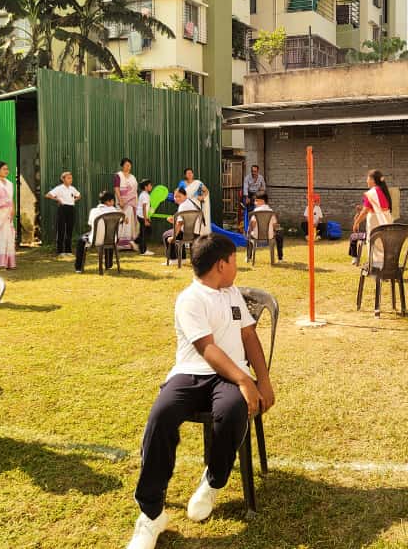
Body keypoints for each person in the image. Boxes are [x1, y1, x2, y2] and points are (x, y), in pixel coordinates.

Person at [125, 234, 275, 549]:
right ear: (221, 265)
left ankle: (213, 480)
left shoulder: (233, 293)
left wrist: (263, 379)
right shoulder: (190, 299)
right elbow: (207, 349)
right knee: (161, 417)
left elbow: (249, 337)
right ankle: (151, 515)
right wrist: (245, 381)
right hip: (190, 375)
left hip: (228, 379)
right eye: (234, 261)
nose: (238, 266)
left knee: (232, 411)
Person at [352, 170, 394, 267]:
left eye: (367, 178)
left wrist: (356, 223)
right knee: (383, 244)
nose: (366, 181)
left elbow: (365, 211)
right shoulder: (384, 191)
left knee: (374, 243)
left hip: (375, 223)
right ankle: (384, 265)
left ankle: (376, 267)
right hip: (386, 222)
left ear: (372, 180)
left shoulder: (372, 193)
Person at [75, 190, 121, 273]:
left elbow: (90, 224)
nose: (114, 203)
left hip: (96, 240)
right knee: (109, 233)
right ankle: (108, 264)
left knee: (81, 240)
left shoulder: (94, 211)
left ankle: (78, 267)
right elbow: (122, 220)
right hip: (112, 240)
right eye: (113, 201)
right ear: (108, 201)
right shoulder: (115, 211)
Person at [162, 189, 205, 262]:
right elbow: (184, 221)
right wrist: (174, 221)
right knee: (177, 232)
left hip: (188, 234)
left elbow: (180, 223)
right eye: (175, 197)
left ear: (185, 196)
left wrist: (173, 237)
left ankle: (174, 259)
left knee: (166, 235)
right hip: (197, 232)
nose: (177, 198)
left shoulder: (182, 206)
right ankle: (182, 258)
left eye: (179, 196)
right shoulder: (191, 202)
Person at [46, 171, 82, 258]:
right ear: (63, 179)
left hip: (71, 208)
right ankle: (60, 251)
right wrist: (57, 200)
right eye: (68, 178)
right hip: (62, 208)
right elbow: (48, 195)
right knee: (61, 229)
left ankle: (68, 250)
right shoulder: (59, 188)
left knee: (69, 229)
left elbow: (79, 195)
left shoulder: (72, 188)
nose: (70, 180)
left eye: (71, 178)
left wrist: (74, 200)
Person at [248, 191, 283, 261]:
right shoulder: (271, 211)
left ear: (262, 201)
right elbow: (275, 226)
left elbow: (252, 225)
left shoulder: (255, 211)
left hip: (256, 235)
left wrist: (249, 230)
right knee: (280, 235)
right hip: (270, 235)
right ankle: (280, 258)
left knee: (248, 235)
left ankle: (249, 257)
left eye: (256, 200)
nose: (254, 202)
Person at [177, 168, 212, 235]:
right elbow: (178, 193)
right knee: (185, 219)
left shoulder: (198, 183)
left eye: (191, 173)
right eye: (188, 173)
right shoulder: (182, 183)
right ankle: (186, 236)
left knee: (196, 221)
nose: (190, 174)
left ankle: (196, 236)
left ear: (193, 174)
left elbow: (206, 191)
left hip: (196, 204)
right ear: (185, 175)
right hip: (185, 205)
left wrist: (202, 197)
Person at [114, 158, 139, 250]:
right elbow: (116, 188)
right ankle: (121, 243)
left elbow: (134, 190)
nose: (128, 167)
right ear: (122, 165)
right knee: (122, 220)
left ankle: (129, 243)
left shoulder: (132, 177)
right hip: (121, 202)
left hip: (131, 203)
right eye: (126, 165)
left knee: (130, 221)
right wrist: (120, 200)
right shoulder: (118, 175)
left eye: (130, 165)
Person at [136, 179, 155, 256]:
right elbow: (144, 207)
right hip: (141, 216)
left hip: (142, 216)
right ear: (145, 187)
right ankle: (143, 251)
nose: (151, 186)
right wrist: (145, 220)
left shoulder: (145, 194)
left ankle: (135, 241)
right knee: (144, 233)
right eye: (150, 185)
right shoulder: (145, 195)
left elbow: (146, 208)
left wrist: (147, 217)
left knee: (146, 232)